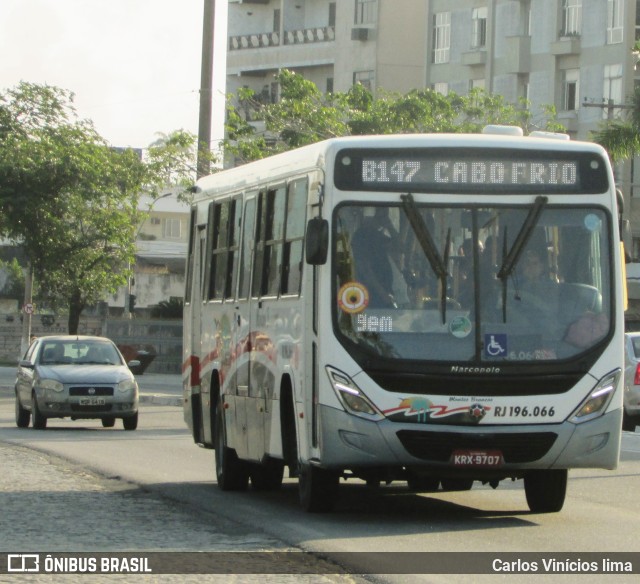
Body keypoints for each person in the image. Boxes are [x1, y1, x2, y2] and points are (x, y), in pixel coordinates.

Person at [350, 207, 408, 308]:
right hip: (371, 294)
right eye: (382, 215)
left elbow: (401, 248)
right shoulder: (362, 236)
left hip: (384, 291)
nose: (384, 218)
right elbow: (366, 270)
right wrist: (383, 294)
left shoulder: (376, 235)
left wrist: (389, 226)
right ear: (375, 215)